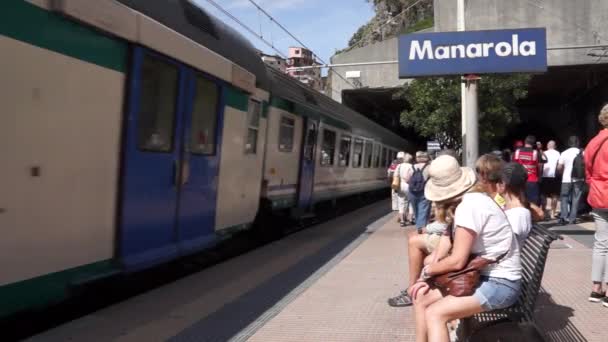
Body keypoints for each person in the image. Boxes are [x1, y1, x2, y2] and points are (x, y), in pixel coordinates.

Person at [410, 155, 522, 342]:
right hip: (485, 277)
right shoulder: (469, 201)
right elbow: (446, 239)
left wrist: (427, 270)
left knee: (435, 313)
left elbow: (457, 260)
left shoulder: (469, 207)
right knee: (420, 296)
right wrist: (427, 278)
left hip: (501, 284)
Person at [585, 104, 608, 305]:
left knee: (601, 243)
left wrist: (595, 185)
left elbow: (588, 171)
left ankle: (596, 288)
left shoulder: (594, 142)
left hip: (599, 196)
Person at [499, 163, 533, 245]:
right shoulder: (514, 210)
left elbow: (506, 247)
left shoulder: (517, 215)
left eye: (498, 181)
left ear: (503, 185)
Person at [557, 136, 584, 225]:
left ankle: (564, 217)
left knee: (564, 198)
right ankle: (572, 218)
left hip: (566, 179)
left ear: (569, 143)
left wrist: (562, 173)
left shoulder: (564, 153)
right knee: (576, 199)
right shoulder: (582, 152)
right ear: (578, 143)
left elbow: (559, 167)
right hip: (579, 179)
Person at [513, 135, 545, 207]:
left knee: (520, 199)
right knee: (533, 200)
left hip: (519, 180)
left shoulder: (517, 152)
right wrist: (540, 149)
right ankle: (532, 216)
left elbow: (513, 166)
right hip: (532, 180)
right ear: (534, 144)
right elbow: (544, 161)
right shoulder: (536, 153)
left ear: (525, 142)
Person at [408, 151, 431, 233]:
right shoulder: (429, 167)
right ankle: (421, 228)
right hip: (425, 190)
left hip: (412, 191)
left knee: (416, 210)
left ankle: (419, 226)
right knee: (423, 209)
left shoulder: (412, 167)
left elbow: (407, 179)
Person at [541, 140, 561, 220]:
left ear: (547, 146)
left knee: (544, 195)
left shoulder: (544, 153)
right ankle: (552, 213)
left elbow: (541, 164)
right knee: (555, 195)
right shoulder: (558, 153)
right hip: (555, 176)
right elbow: (559, 165)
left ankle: (544, 212)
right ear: (555, 146)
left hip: (545, 175)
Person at [396, 153, 414, 227]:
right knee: (411, 203)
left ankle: (402, 221)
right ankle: (410, 219)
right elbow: (413, 176)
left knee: (401, 203)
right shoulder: (412, 166)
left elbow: (395, 176)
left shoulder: (399, 166)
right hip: (410, 185)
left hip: (401, 185)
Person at [388, 152, 405, 222]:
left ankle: (398, 216)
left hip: (395, 184)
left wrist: (391, 183)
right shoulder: (407, 164)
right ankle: (401, 216)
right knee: (403, 201)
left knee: (395, 201)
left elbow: (389, 174)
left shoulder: (394, 163)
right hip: (404, 185)